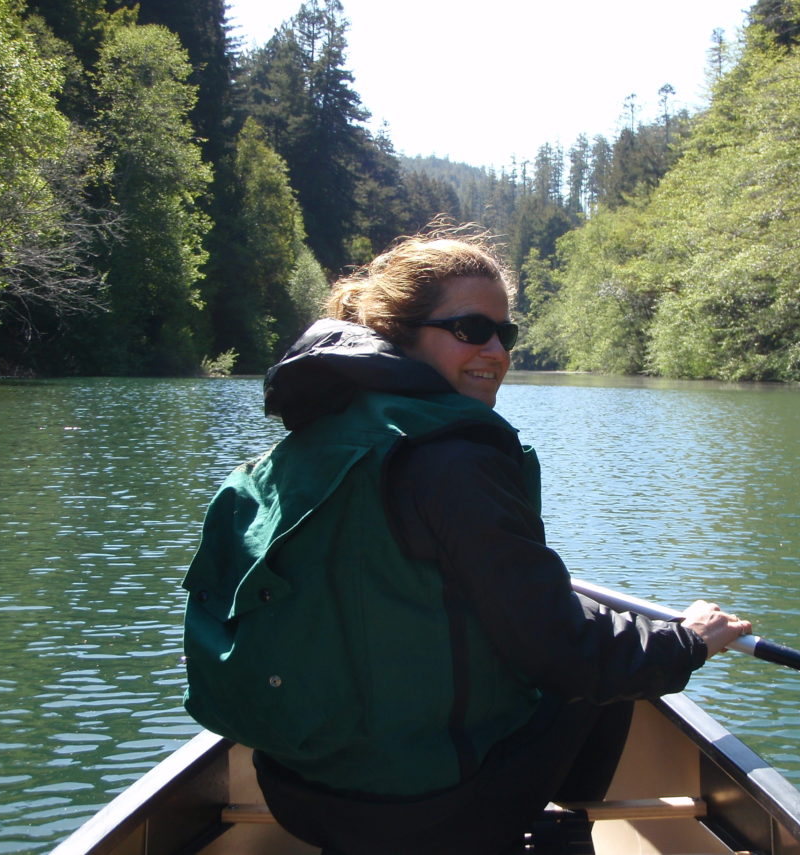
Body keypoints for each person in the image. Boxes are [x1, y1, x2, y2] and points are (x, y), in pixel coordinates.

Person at [181, 222, 752, 855]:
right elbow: (562, 651)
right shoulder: (452, 460)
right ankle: (548, 823)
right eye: (470, 330)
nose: (496, 352)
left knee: (591, 630)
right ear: (398, 336)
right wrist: (685, 643)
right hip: (423, 815)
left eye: (504, 333)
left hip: (294, 792)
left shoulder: (310, 442)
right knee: (605, 668)